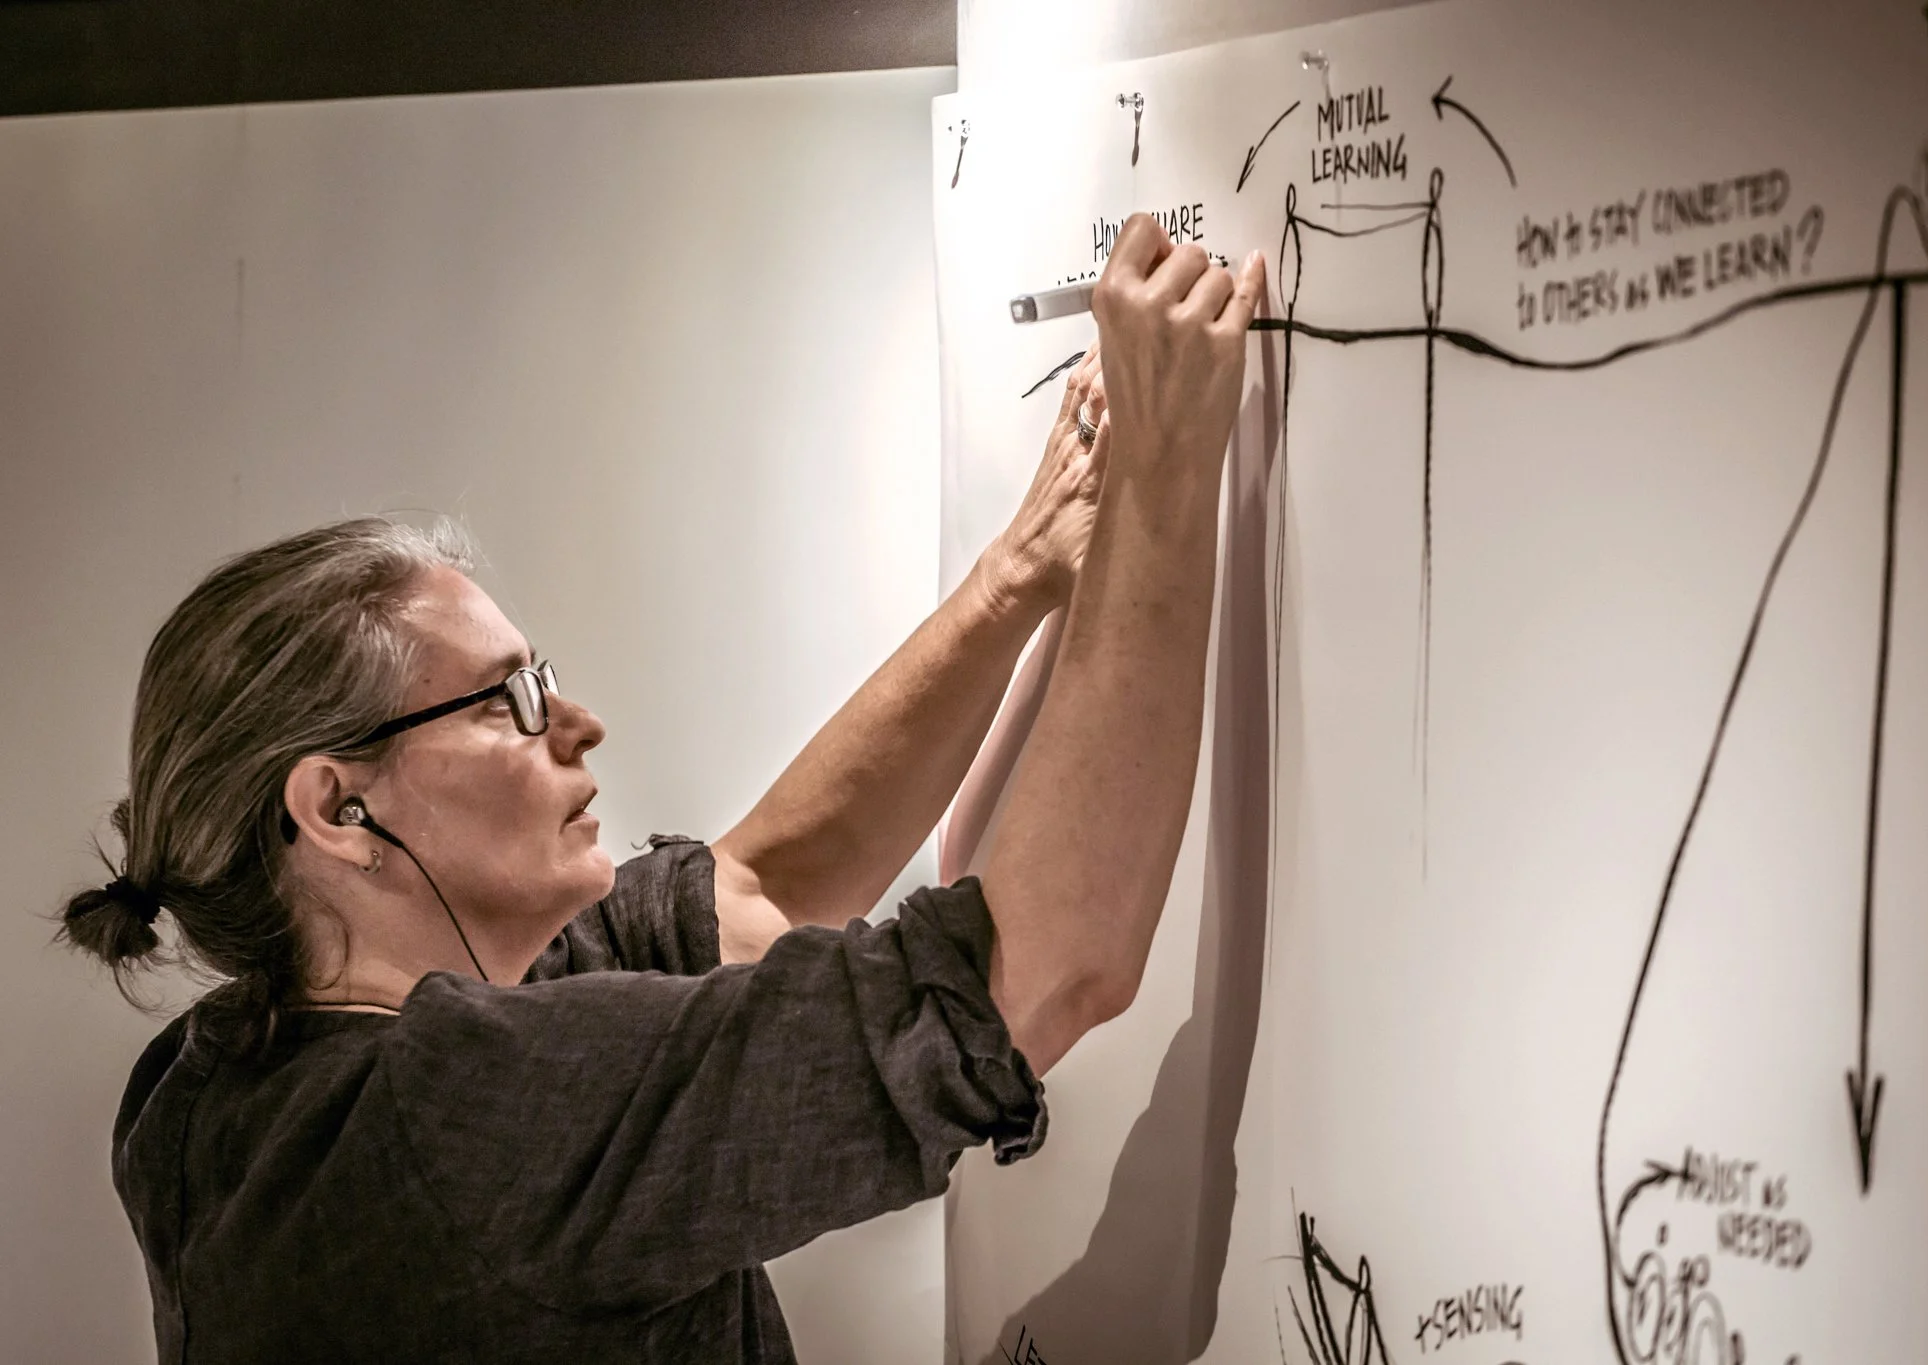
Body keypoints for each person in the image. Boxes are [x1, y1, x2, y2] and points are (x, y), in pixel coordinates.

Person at [58, 214, 1267, 1364]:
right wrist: (1166, 465)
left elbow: (762, 886)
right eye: (506, 703)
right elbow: (1040, 972)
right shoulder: (460, 1119)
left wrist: (1015, 579)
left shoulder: (209, 1078)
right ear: (335, 809)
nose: (575, 725)